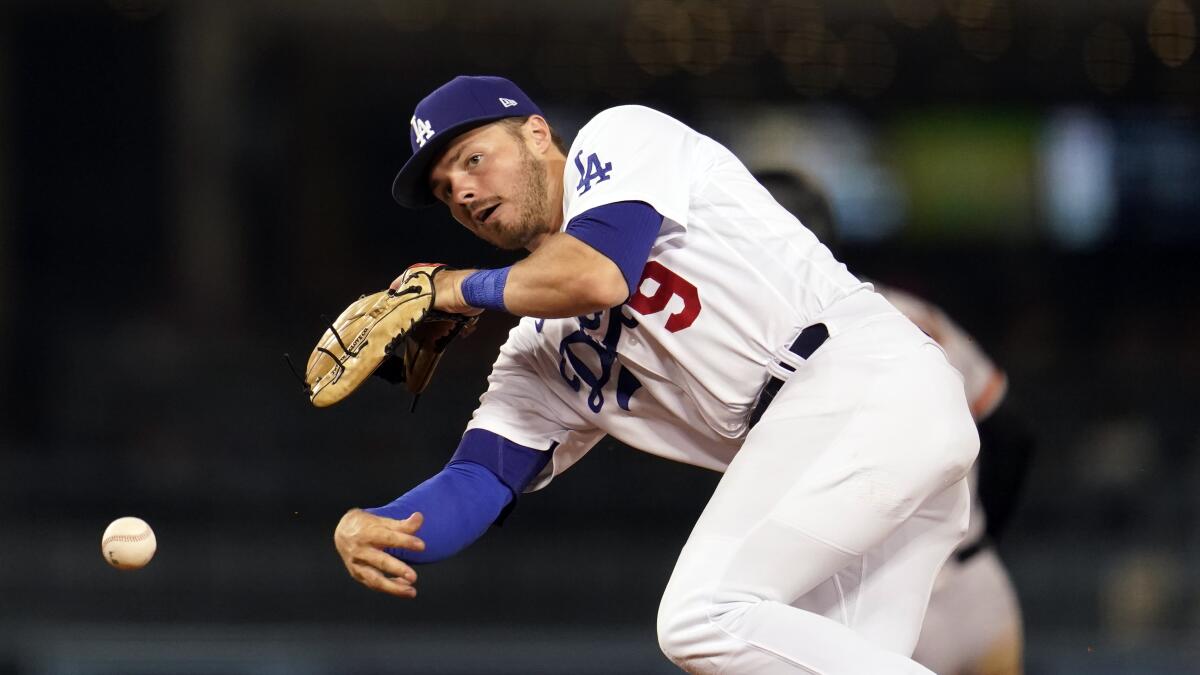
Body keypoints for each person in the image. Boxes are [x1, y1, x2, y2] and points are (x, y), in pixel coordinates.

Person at [332, 75, 980, 674]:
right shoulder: (539, 348)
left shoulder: (619, 138)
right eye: (445, 190)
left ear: (535, 133)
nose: (463, 192)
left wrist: (453, 289)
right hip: (847, 462)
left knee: (702, 615)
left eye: (472, 159)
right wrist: (378, 524)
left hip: (858, 381)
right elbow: (482, 477)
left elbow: (594, 274)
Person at [754, 169, 1036, 675]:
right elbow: (1012, 433)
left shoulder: (766, 339)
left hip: (874, 607)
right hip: (976, 589)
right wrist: (983, 537)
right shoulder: (910, 311)